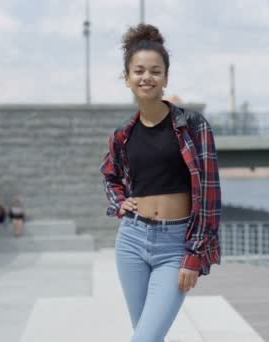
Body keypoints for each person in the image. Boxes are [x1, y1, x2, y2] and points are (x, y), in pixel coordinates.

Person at [100, 23, 221, 342]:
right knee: (146, 335)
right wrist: (118, 202)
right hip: (131, 241)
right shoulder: (122, 135)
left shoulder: (192, 125)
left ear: (166, 77)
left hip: (175, 245)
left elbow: (209, 198)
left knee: (145, 338)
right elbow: (110, 175)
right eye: (138, 71)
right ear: (127, 78)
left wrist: (194, 255)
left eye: (155, 71)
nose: (146, 77)